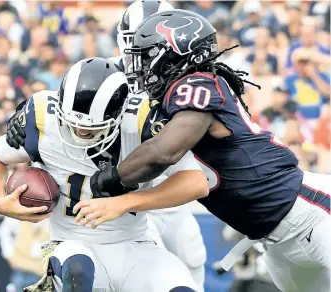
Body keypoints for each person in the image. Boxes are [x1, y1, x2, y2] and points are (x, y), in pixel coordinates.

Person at [69, 10, 330, 292]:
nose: (141, 67)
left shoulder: (198, 83)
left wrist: (109, 180)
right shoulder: (171, 100)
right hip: (274, 240)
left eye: (147, 57)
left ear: (177, 54)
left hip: (312, 213)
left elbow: (163, 152)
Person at [4, 1, 208, 290]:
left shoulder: (192, 80)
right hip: (123, 178)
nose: (141, 53)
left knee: (188, 249)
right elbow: (70, 98)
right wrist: (27, 112)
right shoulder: (109, 74)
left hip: (165, 175)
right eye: (134, 42)